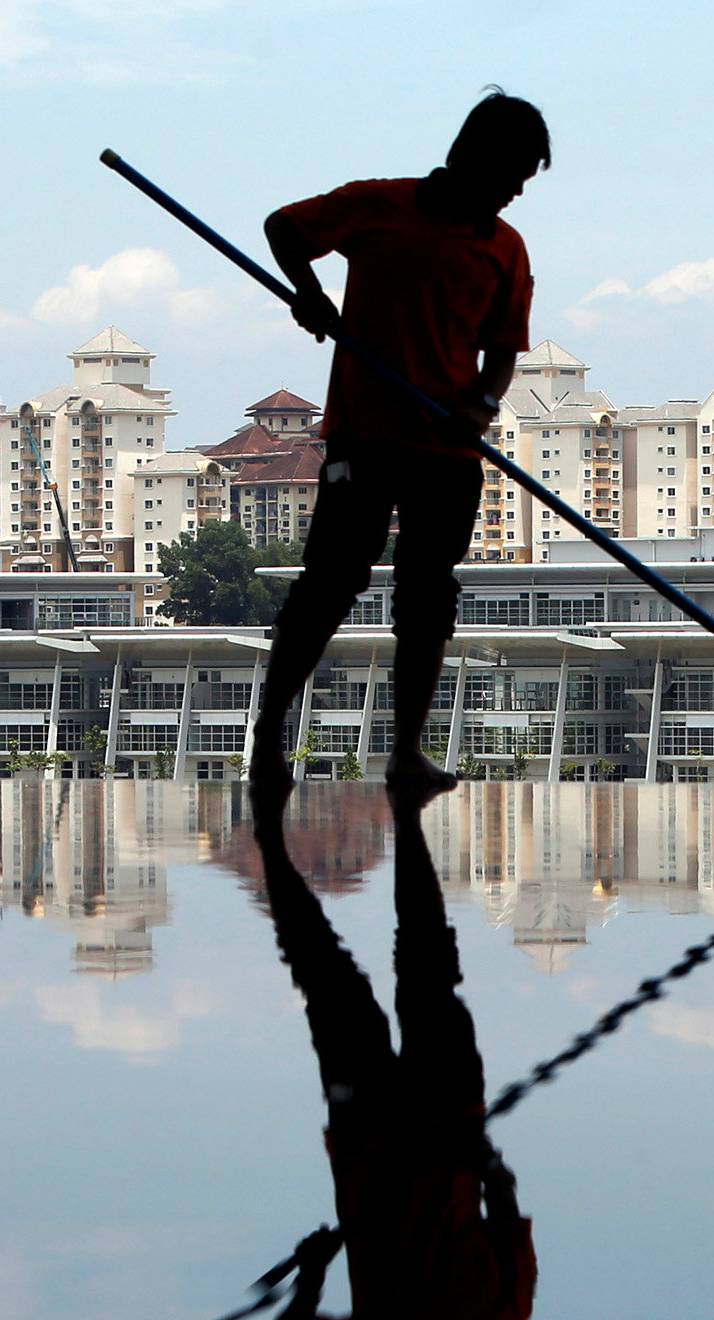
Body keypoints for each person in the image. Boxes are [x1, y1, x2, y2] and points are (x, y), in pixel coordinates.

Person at [248, 89, 549, 805]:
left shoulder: (504, 248)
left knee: (426, 599)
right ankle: (267, 738)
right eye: (513, 175)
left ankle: (406, 754)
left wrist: (479, 406)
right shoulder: (379, 206)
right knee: (329, 584)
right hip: (366, 436)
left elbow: (502, 352)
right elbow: (282, 227)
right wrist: (309, 294)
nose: (515, 193)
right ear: (479, 158)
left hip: (447, 451)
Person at [252, 785, 555, 1320]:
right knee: (419, 965)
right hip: (431, 1113)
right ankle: (400, 816)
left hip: (381, 1125)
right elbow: (504, 1200)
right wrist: (314, 1265)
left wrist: (314, 1266)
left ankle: (275, 844)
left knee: (338, 981)